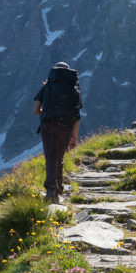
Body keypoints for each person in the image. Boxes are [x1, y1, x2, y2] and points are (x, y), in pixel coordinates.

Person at [33, 62, 82, 202]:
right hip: (66, 127)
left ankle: (50, 189)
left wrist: (47, 113)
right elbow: (77, 116)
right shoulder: (74, 89)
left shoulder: (47, 87)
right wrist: (74, 137)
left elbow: (35, 110)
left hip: (48, 126)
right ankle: (58, 188)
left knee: (50, 156)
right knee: (59, 157)